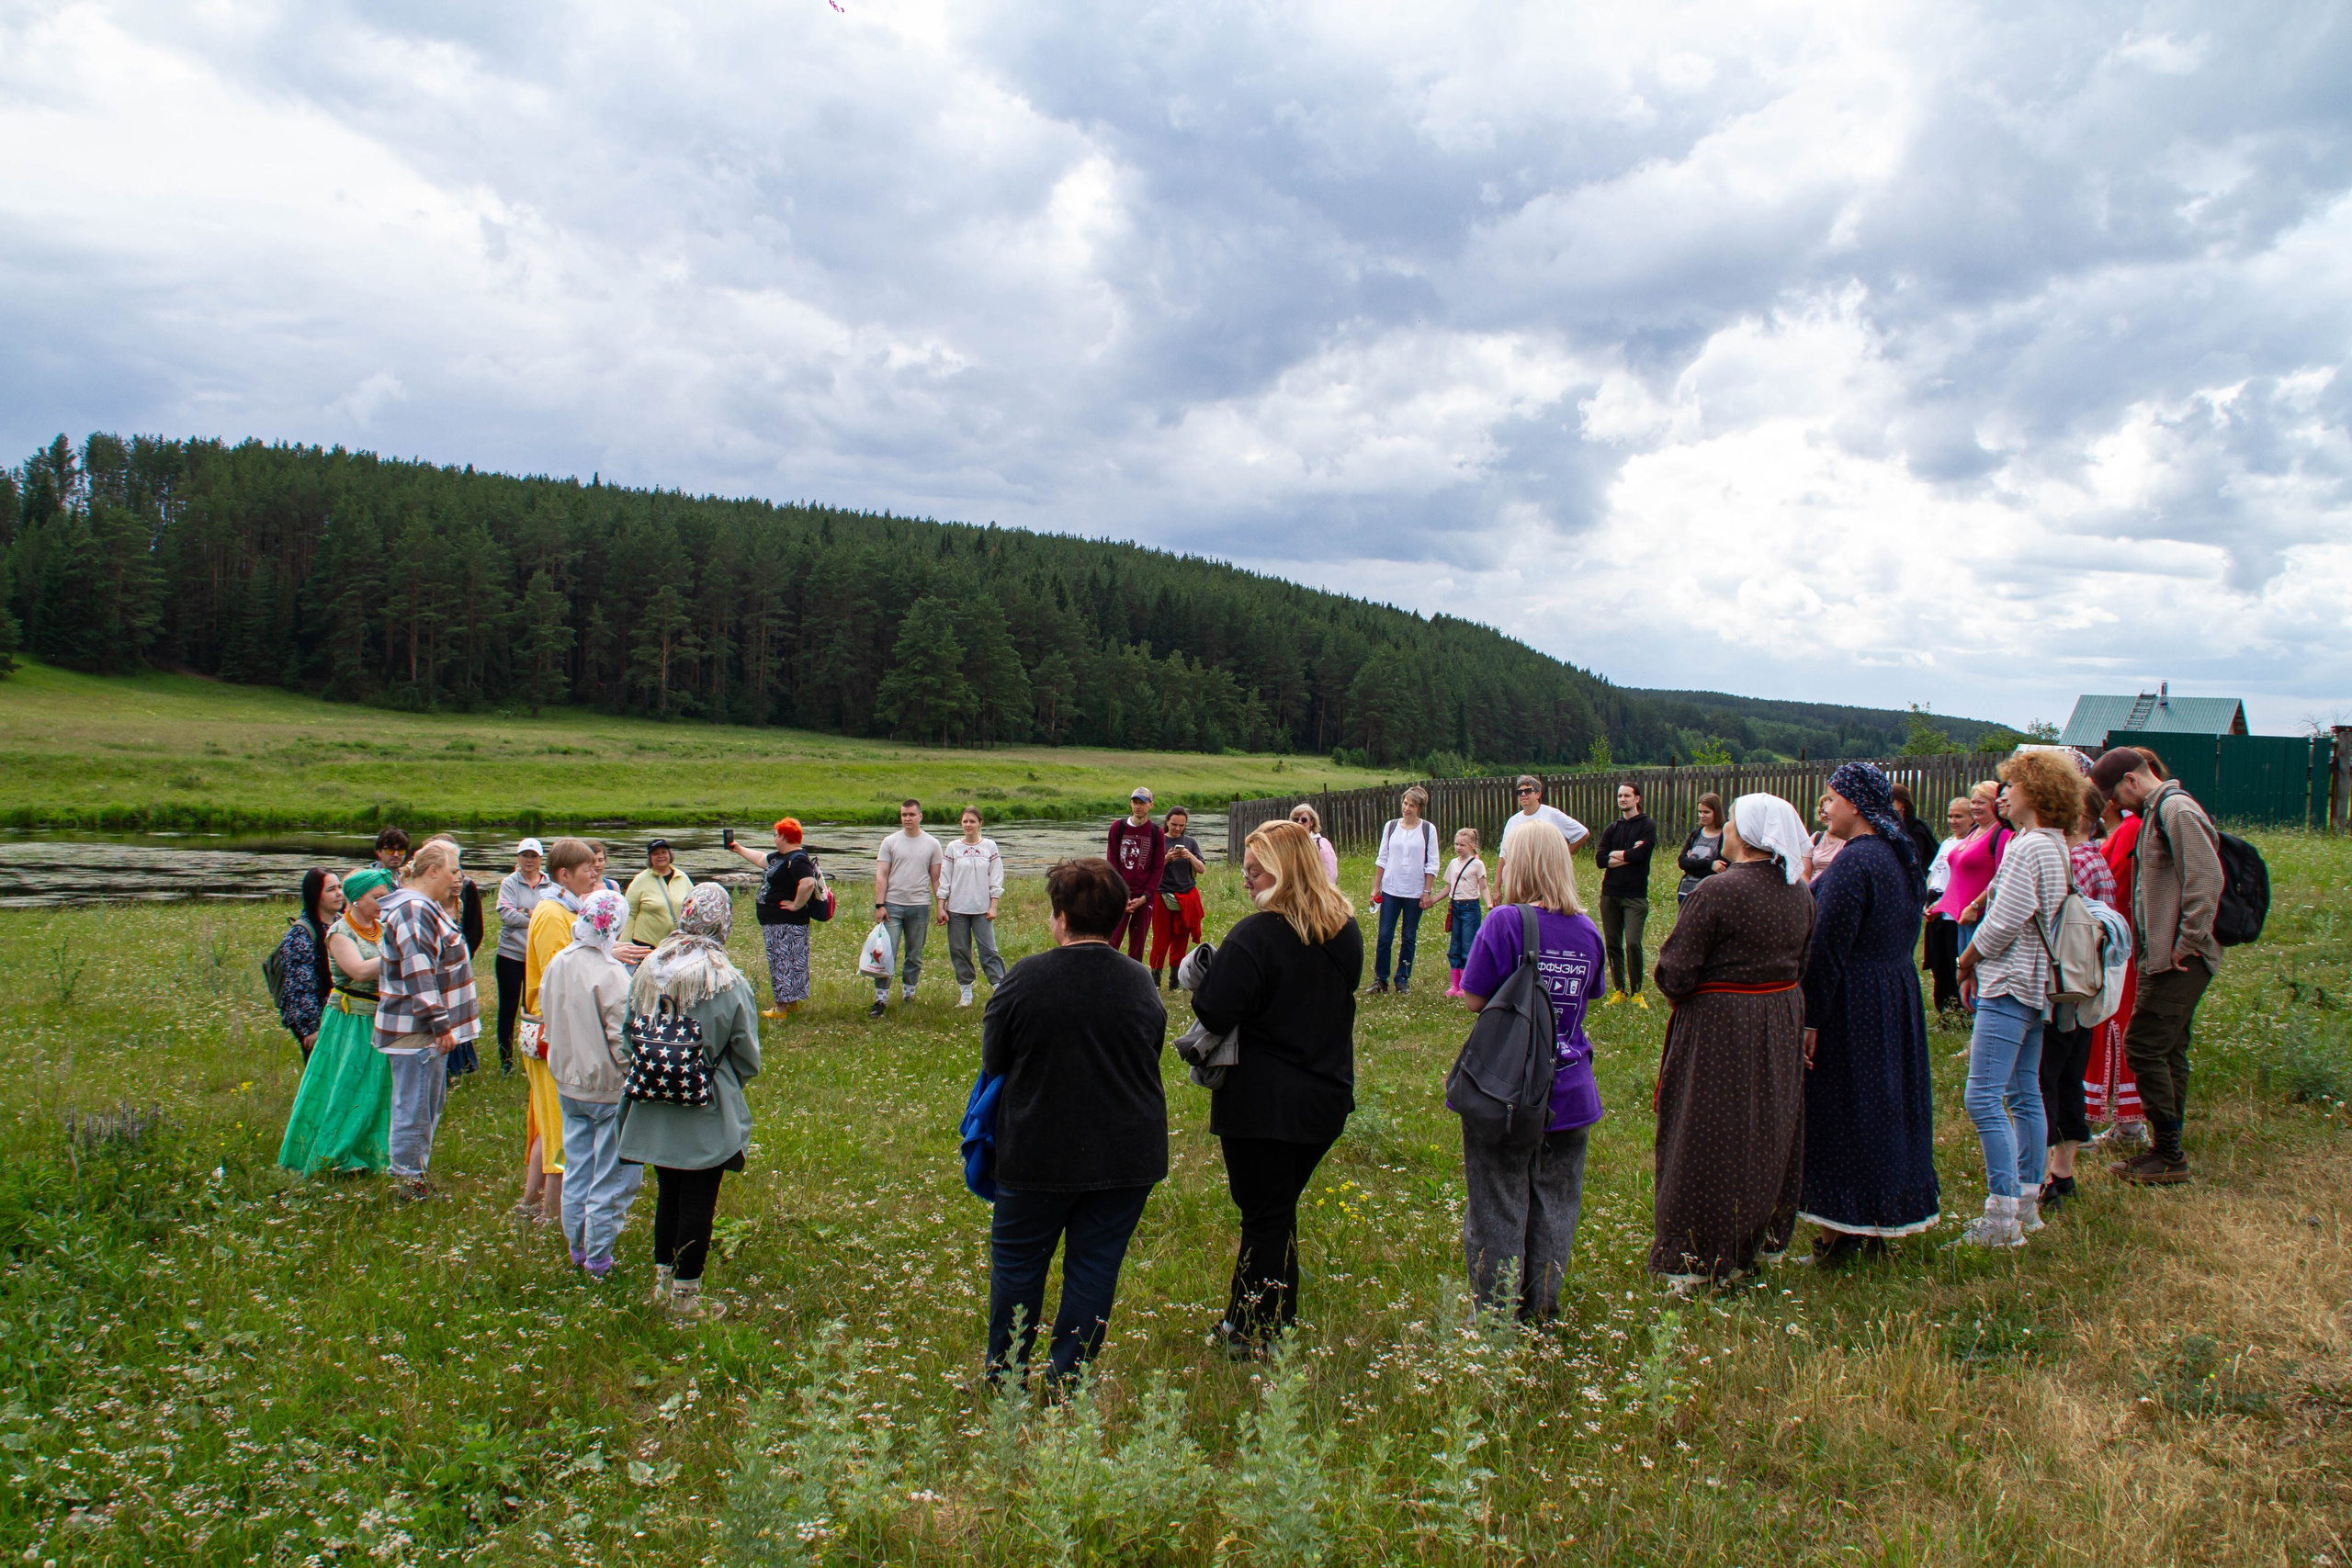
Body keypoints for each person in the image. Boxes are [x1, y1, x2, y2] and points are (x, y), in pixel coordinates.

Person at [980, 858, 1170, 1384]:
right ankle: (1068, 1377)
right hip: (1128, 1153)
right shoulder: (1139, 982)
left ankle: (1006, 1375)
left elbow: (995, 1058)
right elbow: (1150, 1048)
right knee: (1094, 1268)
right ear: (1114, 919)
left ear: (1061, 916)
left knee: (1018, 1268)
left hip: (1038, 1150)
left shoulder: (1026, 977)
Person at [1191, 820, 1361, 1356]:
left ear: (1283, 871)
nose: (1246, 881)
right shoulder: (1345, 929)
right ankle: (1266, 1322)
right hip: (1325, 1097)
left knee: (1264, 1214)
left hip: (1261, 1104)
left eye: (1255, 871)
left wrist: (1206, 974)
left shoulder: (1254, 936)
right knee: (1276, 1210)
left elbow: (1214, 1008)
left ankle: (1252, 1332)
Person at [1650, 794, 1815, 1290]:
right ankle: (1757, 1242)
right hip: (1780, 1021)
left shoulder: (1717, 892)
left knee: (1706, 1132)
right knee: (1767, 1126)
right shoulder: (1799, 892)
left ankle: (1698, 1254)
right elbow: (1801, 962)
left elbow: (1674, 973)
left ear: (1741, 834)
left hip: (1721, 1029)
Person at [1453, 818, 1607, 1320]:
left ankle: (1496, 1315)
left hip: (1509, 1091)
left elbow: (1475, 997)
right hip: (1571, 1088)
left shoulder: (1505, 922)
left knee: (1498, 1204)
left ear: (1519, 864)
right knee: (1556, 1207)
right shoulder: (1588, 930)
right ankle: (1541, 1308)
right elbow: (1592, 994)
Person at [1800, 763, 1939, 1264]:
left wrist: (1812, 1017)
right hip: (1894, 992)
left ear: (1856, 804)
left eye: (1832, 798)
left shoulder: (1858, 862)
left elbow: (1828, 946)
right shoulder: (1898, 855)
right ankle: (1876, 1223)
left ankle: (1844, 1233)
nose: (1826, 807)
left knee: (1849, 1107)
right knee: (1885, 1104)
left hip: (1855, 1000)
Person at [618, 884, 763, 1323]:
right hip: (706, 1105)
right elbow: (746, 1055)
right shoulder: (726, 978)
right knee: (699, 1199)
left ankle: (661, 1286)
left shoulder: (649, 967)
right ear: (722, 922)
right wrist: (719, 1079)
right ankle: (687, 1298)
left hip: (651, 1101)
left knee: (668, 1194)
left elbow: (628, 1035)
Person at [1951, 750, 2078, 1247]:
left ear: (2038, 793)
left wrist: (1968, 961)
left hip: (2009, 983)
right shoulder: (2049, 843)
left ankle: (2001, 1218)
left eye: (2014, 786)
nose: (2005, 794)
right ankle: (2026, 1203)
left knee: (1982, 1097)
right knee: (2024, 1094)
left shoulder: (2029, 848)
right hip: (2035, 985)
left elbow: (2006, 920)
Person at [2090, 745, 2224, 1185]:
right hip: (2162, 955)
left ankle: (2168, 1153)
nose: (2114, 805)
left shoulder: (2176, 810)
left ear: (2131, 780)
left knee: (2143, 1045)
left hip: (2179, 958)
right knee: (2168, 1050)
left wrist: (2187, 943)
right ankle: (2167, 1147)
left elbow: (2206, 879)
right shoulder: (2155, 811)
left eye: (2114, 794)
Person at [543, 887, 640, 1278]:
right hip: (606, 1087)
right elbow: (622, 1038)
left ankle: (576, 1248)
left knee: (577, 1169)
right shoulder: (612, 974)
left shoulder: (559, 962)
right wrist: (633, 1074)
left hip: (568, 1083)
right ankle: (600, 1257)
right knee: (610, 1177)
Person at [374, 840, 480, 1201]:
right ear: (432, 870)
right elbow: (420, 972)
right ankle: (407, 1183)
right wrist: (441, 1024)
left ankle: (413, 1176)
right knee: (415, 1106)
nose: (457, 879)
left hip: (422, 1032)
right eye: (453, 871)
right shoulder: (414, 909)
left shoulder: (422, 907)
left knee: (423, 1104)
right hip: (417, 1033)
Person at [277, 866, 394, 1176]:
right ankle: (330, 1156)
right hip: (348, 1020)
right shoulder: (339, 933)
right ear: (356, 899)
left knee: (376, 1090)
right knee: (344, 1088)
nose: (385, 903)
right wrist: (400, 955)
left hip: (379, 1019)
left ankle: (369, 1152)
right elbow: (356, 970)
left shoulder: (384, 928)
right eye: (378, 897)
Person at [2040, 782, 2120, 1213]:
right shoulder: (2097, 860)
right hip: (2087, 986)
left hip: (2061, 988)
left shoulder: (2070, 860)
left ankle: (2043, 1174)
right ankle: (2064, 1173)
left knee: (2043, 1079)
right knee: (2069, 1076)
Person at [520, 839, 608, 1228]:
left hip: (545, 1026)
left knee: (545, 1117)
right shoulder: (555, 914)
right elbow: (565, 975)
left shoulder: (562, 907)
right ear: (563, 875)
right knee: (558, 1121)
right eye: (588, 869)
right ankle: (551, 1213)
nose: (595, 874)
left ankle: (530, 1201)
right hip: (549, 1029)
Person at [2086, 787, 2150, 1152]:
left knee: (2119, 1028)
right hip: (2113, 947)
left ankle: (2131, 1123)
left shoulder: (2130, 831)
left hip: (2117, 949)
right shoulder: (2118, 834)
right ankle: (2127, 1124)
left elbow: (2117, 894)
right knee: (2113, 1028)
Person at [731, 819, 823, 1019]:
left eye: (776, 834)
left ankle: (780, 1009)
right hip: (780, 921)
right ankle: (791, 1004)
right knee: (791, 961)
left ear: (784, 837)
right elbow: (761, 859)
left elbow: (807, 883)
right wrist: (738, 849)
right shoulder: (782, 857)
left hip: (785, 922)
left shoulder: (797, 859)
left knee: (782, 962)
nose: (774, 838)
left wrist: (796, 904)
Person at [420, 834, 486, 1078]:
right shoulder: (423, 899)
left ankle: (458, 1064)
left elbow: (475, 929)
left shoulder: (465, 887)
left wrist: (462, 957)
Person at [871, 800, 944, 1019]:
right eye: (904, 815)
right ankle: (880, 998)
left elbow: (936, 878)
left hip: (920, 905)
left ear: (920, 816)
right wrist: (879, 905)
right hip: (893, 905)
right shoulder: (890, 842)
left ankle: (909, 995)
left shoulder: (932, 844)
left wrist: (941, 906)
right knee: (886, 953)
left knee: (914, 954)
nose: (907, 819)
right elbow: (881, 874)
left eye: (911, 814)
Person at [1368, 785, 1440, 995]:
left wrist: (1427, 891)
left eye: (1412, 805)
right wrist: (1376, 887)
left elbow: (1432, 863)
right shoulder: (1391, 826)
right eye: (1405, 803)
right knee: (1384, 936)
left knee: (1409, 936)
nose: (1407, 808)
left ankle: (1402, 979)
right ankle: (1381, 979)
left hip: (1414, 891)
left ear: (1420, 807)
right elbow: (1382, 858)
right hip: (1391, 889)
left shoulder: (1428, 829)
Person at [494, 839, 555, 1074]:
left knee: (534, 1008)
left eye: (534, 856)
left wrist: (526, 913)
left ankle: (535, 1054)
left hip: (537, 956)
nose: (529, 861)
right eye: (525, 856)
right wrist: (538, 917)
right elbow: (506, 915)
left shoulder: (550, 885)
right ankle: (506, 1061)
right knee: (508, 1008)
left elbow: (556, 910)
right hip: (510, 955)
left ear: (540, 859)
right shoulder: (509, 883)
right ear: (518, 858)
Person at [1593, 781, 1657, 1006]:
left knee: (1632, 942)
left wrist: (1615, 856)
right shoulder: (1613, 828)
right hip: (1610, 894)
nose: (1622, 799)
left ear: (1637, 798)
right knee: (1612, 943)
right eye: (1619, 796)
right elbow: (1600, 860)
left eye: (1627, 796)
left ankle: (1637, 991)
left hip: (1635, 896)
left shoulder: (1647, 825)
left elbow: (1642, 855)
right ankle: (1619, 989)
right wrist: (1627, 854)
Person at [1935, 782, 2012, 962]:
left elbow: (2001, 876)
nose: (1975, 807)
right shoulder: (1974, 832)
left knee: (1974, 968)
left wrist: (1975, 906)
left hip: (1980, 916)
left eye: (1981, 803)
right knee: (1962, 969)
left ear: (1995, 803)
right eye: (1973, 802)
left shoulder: (2001, 834)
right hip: (1963, 916)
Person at [939, 807, 1008, 1008]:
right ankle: (966, 992)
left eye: (972, 821)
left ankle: (999, 989)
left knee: (989, 950)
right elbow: (945, 878)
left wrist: (993, 905)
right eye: (965, 821)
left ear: (980, 823)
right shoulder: (953, 847)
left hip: (982, 909)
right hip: (957, 909)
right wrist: (941, 906)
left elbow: (996, 877)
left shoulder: (990, 846)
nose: (968, 825)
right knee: (960, 950)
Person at [274, 868, 342, 1062]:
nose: (339, 893)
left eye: (340, 887)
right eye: (331, 889)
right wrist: (310, 1029)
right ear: (315, 896)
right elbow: (299, 988)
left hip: (341, 1016)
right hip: (319, 1023)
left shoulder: (342, 923)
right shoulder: (300, 935)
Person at [1148, 807, 1208, 990]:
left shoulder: (1190, 842)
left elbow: (1201, 868)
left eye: (1181, 825)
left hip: (1186, 896)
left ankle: (1174, 981)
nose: (1177, 828)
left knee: (1181, 938)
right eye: (1174, 824)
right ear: (1166, 822)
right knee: (1160, 938)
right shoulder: (1158, 840)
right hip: (1163, 894)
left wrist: (1189, 856)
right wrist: (1166, 858)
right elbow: (1150, 869)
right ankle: (1155, 979)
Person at [1921, 798, 1971, 1016]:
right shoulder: (1947, 843)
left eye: (1959, 816)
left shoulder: (1970, 844)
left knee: (1952, 959)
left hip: (1953, 910)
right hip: (1935, 906)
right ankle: (1944, 1009)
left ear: (1971, 819)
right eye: (1950, 816)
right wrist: (1926, 902)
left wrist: (1942, 904)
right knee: (1937, 960)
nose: (1953, 821)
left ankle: (1960, 1010)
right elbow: (1934, 874)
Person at [1107, 787, 1169, 963]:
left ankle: (1131, 982)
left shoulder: (1156, 833)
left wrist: (1145, 896)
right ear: (1131, 804)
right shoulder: (1117, 828)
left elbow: (1158, 869)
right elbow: (1112, 864)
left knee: (1137, 944)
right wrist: (1121, 894)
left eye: (1142, 802)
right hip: (1120, 894)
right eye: (1135, 802)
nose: (1138, 806)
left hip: (1145, 896)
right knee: (1112, 939)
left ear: (1151, 805)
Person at [1441, 828, 1489, 998]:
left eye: (1462, 845)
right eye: (1456, 844)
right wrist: (1433, 899)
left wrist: (1489, 903)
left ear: (1472, 845)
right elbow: (1448, 887)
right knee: (1455, 946)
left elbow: (1483, 887)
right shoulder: (1453, 863)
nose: (1458, 848)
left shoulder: (1477, 864)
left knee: (1468, 946)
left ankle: (1465, 984)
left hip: (1471, 908)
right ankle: (1454, 983)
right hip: (1455, 907)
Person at [623, 840, 695, 950]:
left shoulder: (682, 877)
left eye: (663, 852)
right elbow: (630, 914)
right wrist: (624, 944)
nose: (660, 856)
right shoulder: (640, 880)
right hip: (646, 943)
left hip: (676, 942)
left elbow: (693, 907)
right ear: (650, 858)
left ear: (669, 855)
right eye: (655, 854)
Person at [1500, 775, 1589, 856]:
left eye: (1528, 791)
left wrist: (1564, 858)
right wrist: (1499, 874)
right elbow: (1504, 853)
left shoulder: (1552, 814)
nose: (1523, 794)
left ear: (1538, 794)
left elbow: (1582, 833)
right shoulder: (1512, 821)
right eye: (1520, 792)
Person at [1675, 794, 1728, 908]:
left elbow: (1720, 870)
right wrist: (1710, 864)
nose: (1702, 816)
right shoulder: (1695, 834)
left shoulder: (1724, 836)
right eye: (1700, 812)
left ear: (1716, 812)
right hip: (1686, 891)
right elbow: (1682, 862)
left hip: (1709, 893)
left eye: (1706, 812)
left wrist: (1692, 865)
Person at [1287, 803, 1340, 885]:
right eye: (1296, 819)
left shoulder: (1321, 844)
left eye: (1304, 819)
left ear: (1312, 822)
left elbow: (1330, 872)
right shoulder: (1288, 844)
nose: (1299, 822)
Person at [1802, 793, 1846, 883]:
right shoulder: (1816, 838)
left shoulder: (1848, 840)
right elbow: (1804, 875)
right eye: (1822, 811)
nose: (1825, 814)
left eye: (1828, 810)